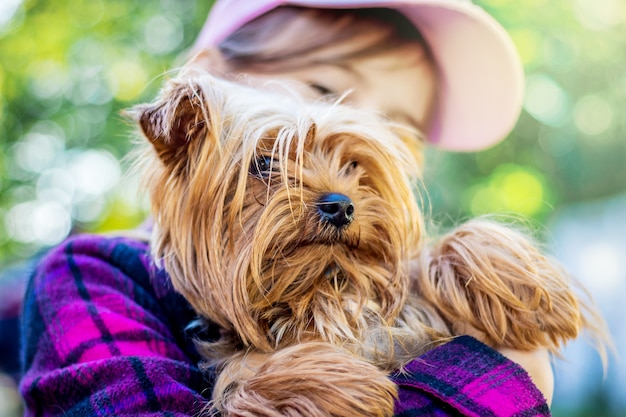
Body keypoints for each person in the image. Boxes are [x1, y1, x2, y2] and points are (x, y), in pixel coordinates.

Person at [19, 1, 554, 416]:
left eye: (397, 127)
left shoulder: (421, 275)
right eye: (325, 88)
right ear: (199, 107)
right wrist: (501, 377)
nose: (361, 129)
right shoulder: (94, 280)